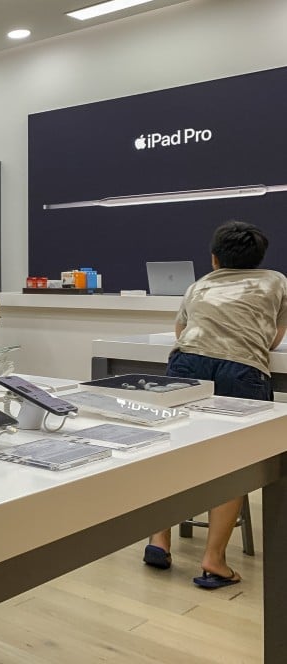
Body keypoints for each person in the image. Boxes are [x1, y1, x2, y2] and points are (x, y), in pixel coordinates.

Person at [143, 220, 287, 589]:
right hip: (241, 368)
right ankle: (214, 560)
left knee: (171, 449)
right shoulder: (277, 282)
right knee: (235, 463)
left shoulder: (199, 285)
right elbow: (272, 341)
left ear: (214, 259)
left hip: (186, 363)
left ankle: (159, 540)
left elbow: (181, 333)